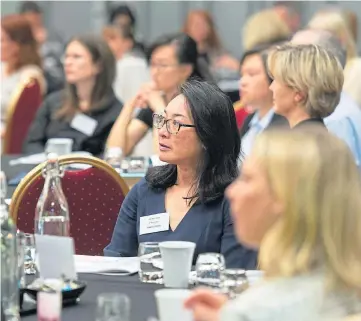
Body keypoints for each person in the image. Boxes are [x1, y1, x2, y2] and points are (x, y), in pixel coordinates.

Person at [185, 128, 361, 321]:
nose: (232, 192)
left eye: (247, 179)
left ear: (284, 196)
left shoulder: (259, 309)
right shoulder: (345, 292)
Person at [104, 80, 258, 269]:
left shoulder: (234, 199)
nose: (162, 132)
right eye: (162, 120)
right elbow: (115, 262)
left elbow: (236, 274)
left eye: (176, 123)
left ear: (207, 135)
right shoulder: (145, 191)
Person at [106, 33, 213, 157]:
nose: (154, 72)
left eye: (162, 65)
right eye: (152, 64)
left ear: (185, 70)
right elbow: (115, 153)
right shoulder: (157, 99)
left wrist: (159, 108)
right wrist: (130, 106)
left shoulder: (198, 102)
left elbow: (165, 160)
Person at [23, 35, 122, 156]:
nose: (68, 63)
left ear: (98, 65)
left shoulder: (115, 111)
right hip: (49, 169)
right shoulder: (53, 102)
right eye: (66, 57)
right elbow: (32, 143)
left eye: (76, 57)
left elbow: (110, 155)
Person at [292, 29, 361, 170]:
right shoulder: (330, 108)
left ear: (320, 67)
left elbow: (340, 182)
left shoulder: (334, 118)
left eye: (295, 58)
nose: (285, 65)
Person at [268, 43, 343, 129]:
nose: (271, 87)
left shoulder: (299, 141)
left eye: (276, 80)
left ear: (299, 93)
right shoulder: (322, 137)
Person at [239, 43, 288, 157]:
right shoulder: (250, 120)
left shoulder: (285, 125)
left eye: (251, 74)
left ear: (273, 77)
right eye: (241, 74)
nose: (242, 82)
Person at [1, 14, 45, 137]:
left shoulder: (30, 78)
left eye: (2, 40)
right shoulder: (1, 67)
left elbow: (22, 127)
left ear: (16, 45)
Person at [308, 10, 361, 108]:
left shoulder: (357, 69)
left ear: (341, 38)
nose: (316, 43)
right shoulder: (311, 71)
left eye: (323, 37)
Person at [19, 1, 65, 95]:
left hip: (56, 81)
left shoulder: (54, 37)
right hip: (32, 81)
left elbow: (62, 57)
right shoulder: (20, 41)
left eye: (36, 18)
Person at [182, 10, 240, 80]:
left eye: (204, 25)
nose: (200, 29)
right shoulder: (180, 52)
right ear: (187, 27)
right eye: (196, 25)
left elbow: (235, 67)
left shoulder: (217, 51)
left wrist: (235, 66)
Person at [102, 25, 149, 103]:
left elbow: (136, 97)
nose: (107, 43)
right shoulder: (106, 66)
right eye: (104, 38)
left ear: (127, 43)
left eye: (112, 38)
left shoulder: (133, 64)